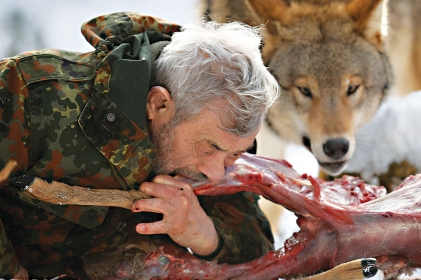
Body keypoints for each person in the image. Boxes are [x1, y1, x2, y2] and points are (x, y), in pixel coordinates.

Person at [0, 12, 279, 279]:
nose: (217, 172)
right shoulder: (32, 91)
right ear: (158, 104)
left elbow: (261, 245)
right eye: (208, 148)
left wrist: (203, 232)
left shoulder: (215, 136)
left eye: (235, 155)